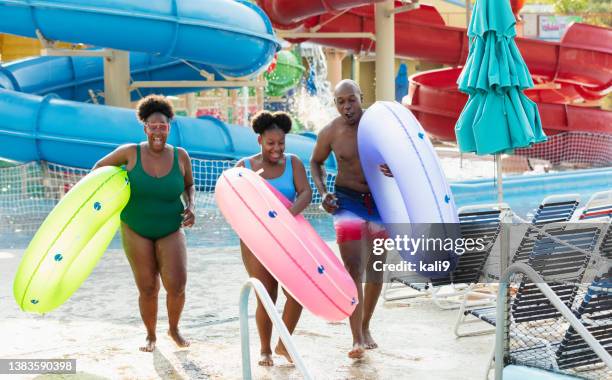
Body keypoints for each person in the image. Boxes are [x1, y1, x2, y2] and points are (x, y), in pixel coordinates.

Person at [93, 94, 195, 352]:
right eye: (153, 126)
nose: (158, 131)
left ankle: (173, 329)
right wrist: (100, 202)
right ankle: (150, 335)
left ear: (169, 128)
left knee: (178, 284)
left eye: (163, 126)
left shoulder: (181, 156)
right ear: (145, 127)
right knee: (148, 287)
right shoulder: (130, 153)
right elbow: (98, 170)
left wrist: (191, 206)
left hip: (171, 227)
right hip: (135, 227)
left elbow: (189, 185)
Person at [310, 79, 392, 359]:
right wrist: (322, 193)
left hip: (380, 202)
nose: (347, 107)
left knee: (376, 271)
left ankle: (366, 325)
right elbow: (315, 162)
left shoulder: (379, 128)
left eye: (351, 100)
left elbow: (403, 158)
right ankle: (356, 336)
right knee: (353, 268)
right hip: (347, 201)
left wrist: (394, 168)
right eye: (340, 101)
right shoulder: (331, 132)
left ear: (362, 97)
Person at [236, 111, 312, 366]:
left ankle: (283, 344)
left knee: (298, 294)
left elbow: (305, 193)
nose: (277, 148)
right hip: (255, 242)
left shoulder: (293, 163)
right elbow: (235, 203)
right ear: (260, 141)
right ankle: (265, 349)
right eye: (271, 143)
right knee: (266, 296)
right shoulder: (244, 168)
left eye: (281, 143)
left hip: (288, 237)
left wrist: (285, 215)